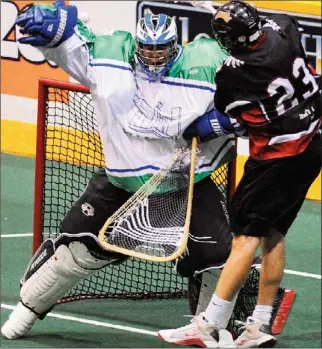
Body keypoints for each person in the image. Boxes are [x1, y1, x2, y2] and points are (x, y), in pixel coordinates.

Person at [1, 0, 243, 342]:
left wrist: (224, 121)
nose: (155, 56)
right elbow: (69, 44)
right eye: (148, 49)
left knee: (219, 257)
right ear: (137, 46)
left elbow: (256, 101)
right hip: (122, 181)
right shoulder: (110, 57)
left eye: (162, 50)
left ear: (176, 46)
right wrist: (55, 31)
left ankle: (209, 327)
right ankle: (26, 309)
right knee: (77, 253)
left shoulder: (207, 63)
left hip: (184, 181)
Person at [158, 0, 321, 348]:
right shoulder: (285, 27)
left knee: (244, 239)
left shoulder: (233, 74)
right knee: (272, 234)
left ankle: (209, 326)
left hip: (277, 159)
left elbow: (230, 117)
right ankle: (258, 327)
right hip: (312, 146)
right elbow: (275, 26)